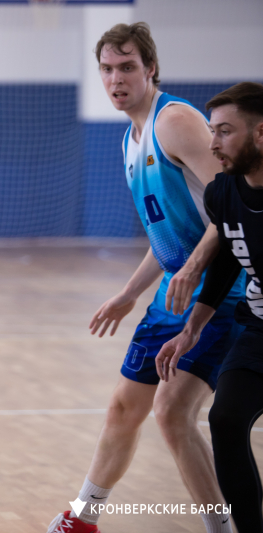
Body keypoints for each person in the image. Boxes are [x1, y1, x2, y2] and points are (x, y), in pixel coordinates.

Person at [47, 23, 244, 533]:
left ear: (150, 69)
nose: (116, 78)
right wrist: (129, 293)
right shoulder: (129, 139)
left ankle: (222, 526)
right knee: (122, 408)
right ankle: (82, 517)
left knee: (172, 413)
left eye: (127, 67)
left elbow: (231, 208)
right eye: (108, 69)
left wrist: (198, 267)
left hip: (223, 291)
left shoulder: (174, 121)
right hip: (172, 294)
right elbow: (168, 240)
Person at [156, 82, 263, 533]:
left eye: (224, 131)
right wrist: (192, 327)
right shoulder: (223, 193)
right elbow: (225, 263)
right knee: (225, 417)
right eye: (211, 131)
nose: (213, 143)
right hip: (258, 329)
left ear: (260, 135)